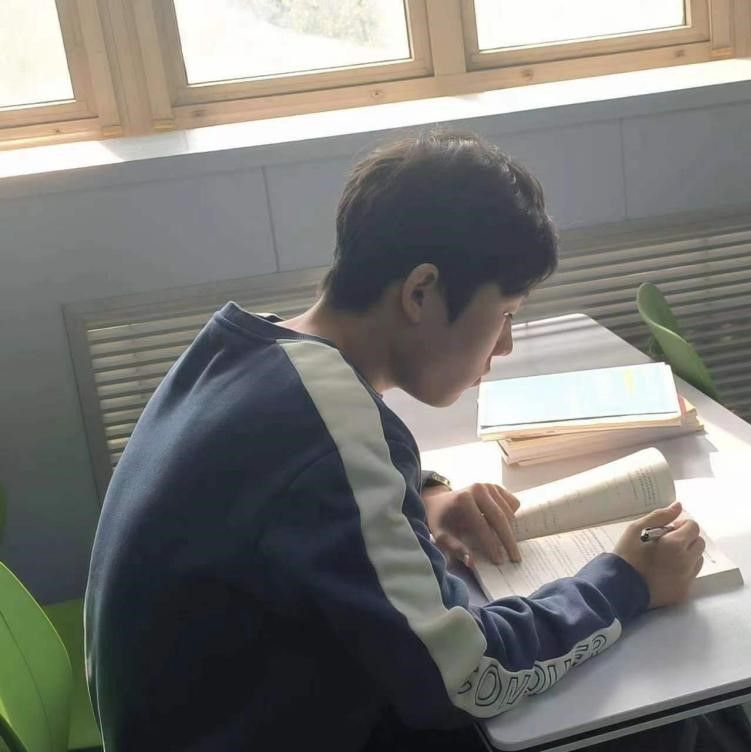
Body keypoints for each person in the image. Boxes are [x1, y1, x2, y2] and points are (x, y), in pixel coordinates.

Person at [84, 130, 705, 751]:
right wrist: (624, 583)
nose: (506, 345)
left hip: (217, 713)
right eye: (505, 314)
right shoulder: (330, 428)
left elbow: (296, 499)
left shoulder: (241, 351)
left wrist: (425, 496)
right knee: (656, 718)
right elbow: (470, 675)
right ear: (420, 292)